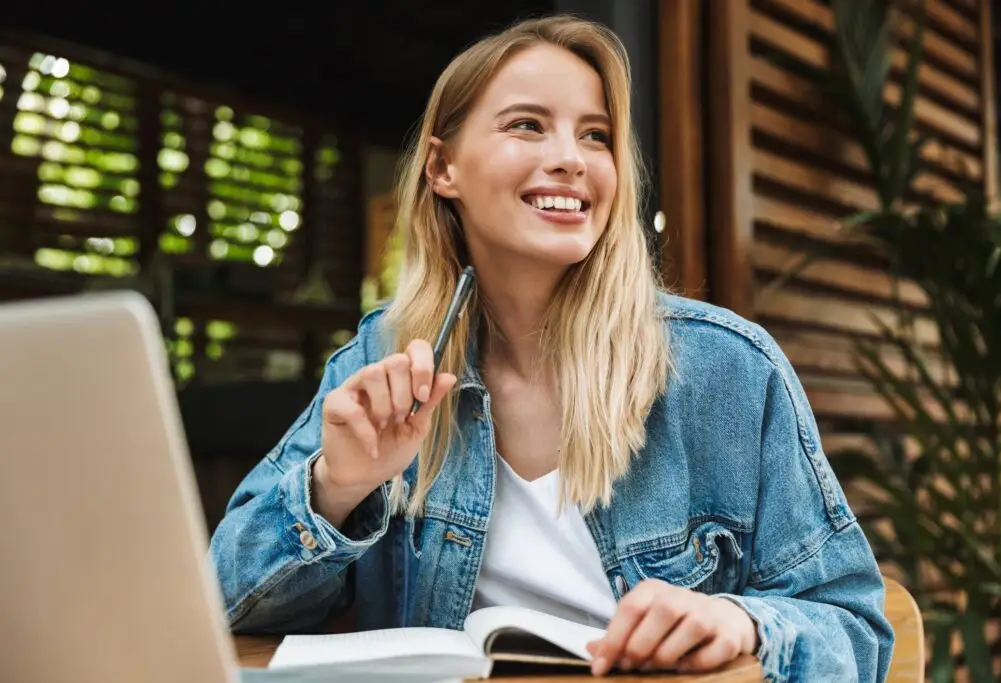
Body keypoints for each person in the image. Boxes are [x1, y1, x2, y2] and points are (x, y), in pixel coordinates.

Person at [210, 14, 894, 682]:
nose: (570, 158)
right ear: (443, 167)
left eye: (596, 136)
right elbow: (227, 598)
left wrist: (740, 623)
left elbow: (854, 625)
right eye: (528, 125)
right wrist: (338, 486)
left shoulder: (729, 370)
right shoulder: (384, 355)